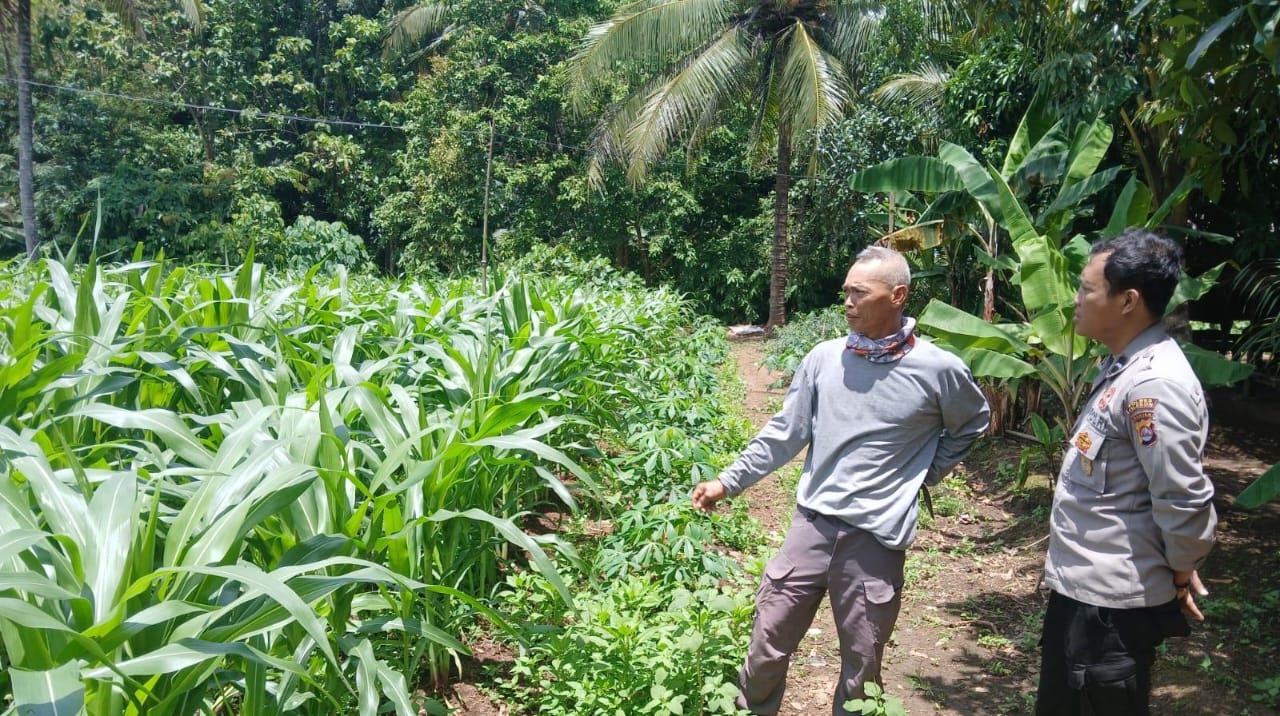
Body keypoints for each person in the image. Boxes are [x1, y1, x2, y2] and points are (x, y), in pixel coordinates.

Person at [692, 246, 990, 716]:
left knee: (861, 667)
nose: (848, 302)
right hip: (812, 526)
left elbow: (972, 423)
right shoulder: (824, 359)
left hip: (875, 538)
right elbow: (785, 433)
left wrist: (923, 472)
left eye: (860, 293)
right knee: (766, 644)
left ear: (897, 296)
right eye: (846, 292)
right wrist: (728, 482)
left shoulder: (938, 370)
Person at [1036, 228, 1218, 715]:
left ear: (1127, 301)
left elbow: (1182, 496)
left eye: (1086, 289)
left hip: (1110, 609)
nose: (1075, 300)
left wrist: (1181, 570)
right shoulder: (1124, 366)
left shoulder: (1154, 384)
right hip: (1085, 593)